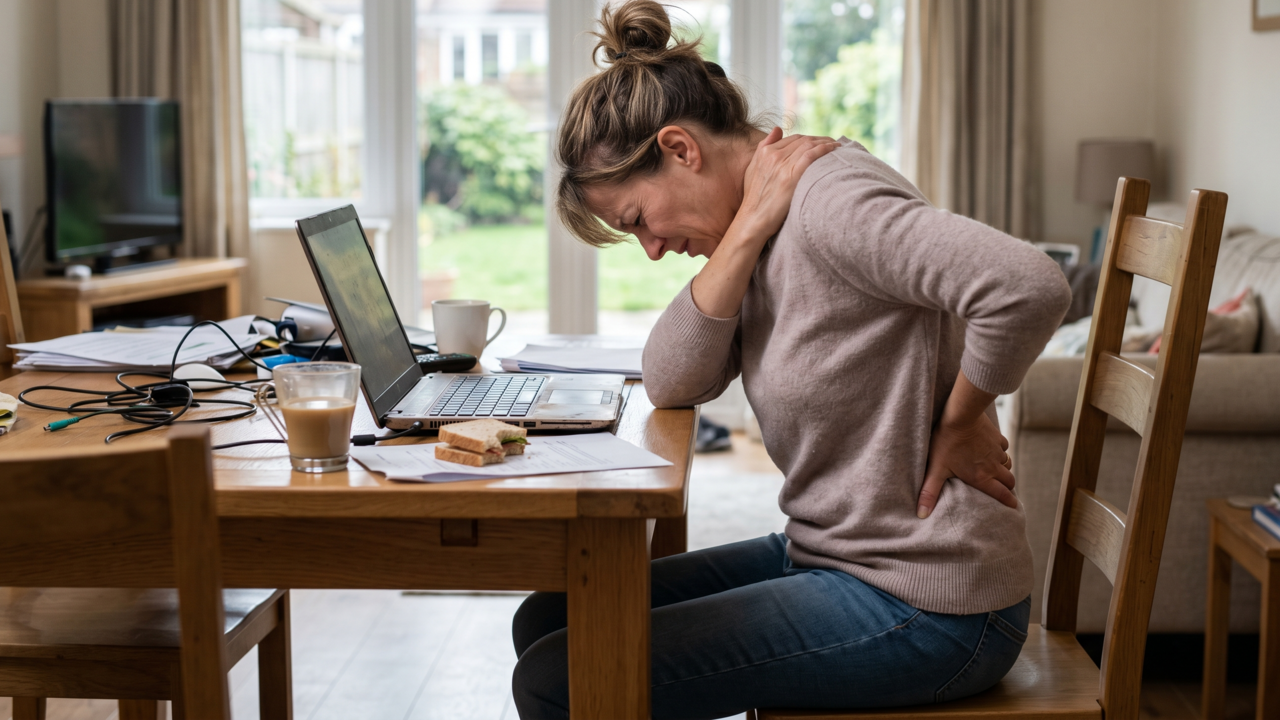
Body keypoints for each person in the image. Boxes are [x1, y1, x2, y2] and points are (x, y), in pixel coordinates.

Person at [511, 2, 1073, 718]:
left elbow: (1027, 285)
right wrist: (744, 233)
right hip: (834, 555)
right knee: (549, 618)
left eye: (638, 220)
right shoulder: (760, 225)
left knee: (558, 676)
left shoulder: (828, 204)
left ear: (681, 149)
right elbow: (671, 380)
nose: (650, 248)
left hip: (929, 601)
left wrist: (965, 415)